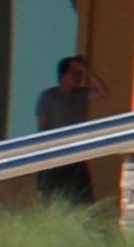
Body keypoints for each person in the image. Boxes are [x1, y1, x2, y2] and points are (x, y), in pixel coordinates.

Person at [30, 55, 107, 205]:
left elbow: (103, 91)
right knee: (51, 196)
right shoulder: (49, 96)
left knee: (82, 197)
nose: (78, 77)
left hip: (76, 154)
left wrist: (87, 70)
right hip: (55, 154)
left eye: (80, 74)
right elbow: (42, 127)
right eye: (74, 73)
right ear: (62, 75)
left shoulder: (81, 94)